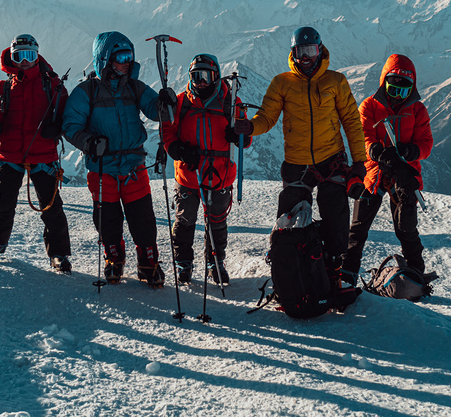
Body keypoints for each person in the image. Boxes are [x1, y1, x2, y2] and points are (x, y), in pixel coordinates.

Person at [234, 26, 367, 290]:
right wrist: (251, 127)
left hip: (331, 160)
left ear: (320, 51)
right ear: (292, 54)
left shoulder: (336, 81)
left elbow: (352, 120)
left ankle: (333, 269)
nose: (305, 57)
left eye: (310, 51)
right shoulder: (282, 82)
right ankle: (290, 262)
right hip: (296, 163)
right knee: (288, 217)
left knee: (335, 217)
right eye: (300, 52)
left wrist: (360, 162)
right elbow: (268, 117)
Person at [62, 31, 176, 287]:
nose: (127, 62)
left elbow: (159, 112)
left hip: (133, 166)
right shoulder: (86, 92)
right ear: (104, 60)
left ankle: (147, 263)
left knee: (143, 219)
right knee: (107, 220)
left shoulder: (135, 88)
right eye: (121, 56)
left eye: (130, 57)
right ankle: (114, 258)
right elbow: (70, 125)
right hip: (102, 167)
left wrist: (168, 102)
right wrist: (89, 142)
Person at [0, 34, 72, 273]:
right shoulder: (4, 86)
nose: (25, 61)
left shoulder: (52, 84)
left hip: (42, 154)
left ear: (37, 56)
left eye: (30, 55)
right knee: (2, 204)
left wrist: (57, 127)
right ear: (12, 58)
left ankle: (59, 254)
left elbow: (66, 116)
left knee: (51, 207)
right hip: (9, 154)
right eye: (20, 56)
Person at [342, 54, 434, 282]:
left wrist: (410, 152)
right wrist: (376, 151)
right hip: (373, 174)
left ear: (412, 88)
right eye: (393, 88)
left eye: (404, 90)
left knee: (406, 228)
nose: (398, 95)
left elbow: (426, 143)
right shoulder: (369, 106)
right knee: (358, 228)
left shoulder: (418, 110)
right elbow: (362, 135)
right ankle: (346, 274)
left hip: (404, 176)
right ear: (384, 81)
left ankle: (415, 276)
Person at [161, 54, 249, 285]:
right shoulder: (181, 102)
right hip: (189, 174)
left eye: (206, 76)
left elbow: (246, 137)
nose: (201, 82)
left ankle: (215, 262)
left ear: (216, 76)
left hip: (219, 175)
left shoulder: (231, 103)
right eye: (196, 76)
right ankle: (183, 263)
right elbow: (167, 133)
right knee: (185, 220)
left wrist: (239, 135)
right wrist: (177, 150)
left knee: (217, 221)